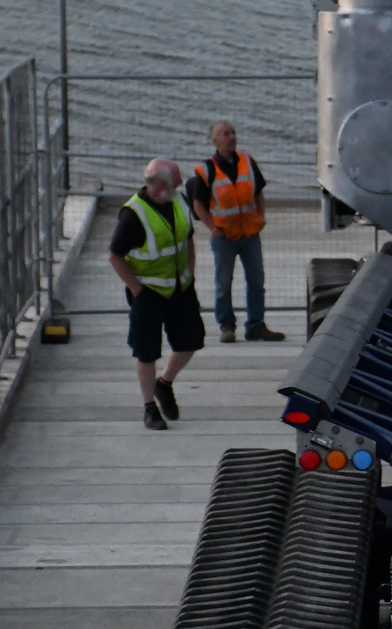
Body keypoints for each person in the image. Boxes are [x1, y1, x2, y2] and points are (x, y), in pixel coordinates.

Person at [108, 158, 205, 431]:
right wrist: (137, 291)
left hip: (181, 288)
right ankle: (149, 407)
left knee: (191, 341)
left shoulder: (179, 201)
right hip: (148, 293)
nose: (181, 182)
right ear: (161, 184)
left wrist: (190, 272)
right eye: (176, 178)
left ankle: (165, 383)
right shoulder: (133, 214)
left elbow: (188, 238)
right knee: (147, 351)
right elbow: (115, 256)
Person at [186, 121, 285, 344]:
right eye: (225, 134)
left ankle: (256, 325)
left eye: (233, 133)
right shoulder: (206, 170)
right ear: (215, 141)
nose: (231, 137)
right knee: (223, 283)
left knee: (256, 280)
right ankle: (226, 325)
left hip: (250, 234)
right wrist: (212, 228)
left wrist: (260, 217)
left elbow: (258, 193)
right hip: (224, 238)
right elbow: (198, 204)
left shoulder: (247, 162)